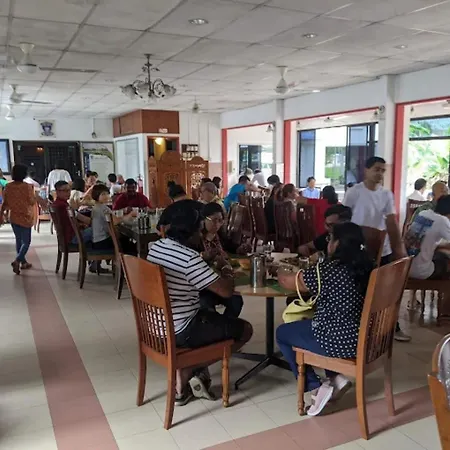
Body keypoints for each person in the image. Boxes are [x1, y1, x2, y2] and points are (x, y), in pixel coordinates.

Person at [148, 201, 253, 404]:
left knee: (211, 313)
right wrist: (226, 268)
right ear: (192, 231)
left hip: (156, 326)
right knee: (245, 330)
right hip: (181, 329)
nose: (201, 234)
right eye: (199, 229)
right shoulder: (189, 257)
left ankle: (189, 375)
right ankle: (187, 368)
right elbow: (226, 291)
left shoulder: (157, 247)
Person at [276, 222, 374, 416]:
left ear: (337, 244)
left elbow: (290, 283)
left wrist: (279, 271)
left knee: (282, 333)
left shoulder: (328, 270)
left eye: (330, 239)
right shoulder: (370, 267)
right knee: (308, 323)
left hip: (338, 341)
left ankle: (315, 386)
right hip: (366, 338)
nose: (327, 243)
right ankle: (336, 377)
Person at [343, 156, 409, 342]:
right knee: (357, 288)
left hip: (383, 249)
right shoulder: (354, 192)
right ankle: (359, 327)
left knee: (385, 290)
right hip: (357, 250)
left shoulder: (386, 194)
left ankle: (391, 327)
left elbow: (391, 221)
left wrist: (398, 248)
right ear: (366, 170)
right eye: (376, 169)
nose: (380, 173)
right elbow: (344, 219)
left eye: (383, 170)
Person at [200, 202, 244, 318]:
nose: (217, 224)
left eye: (220, 220)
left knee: (236, 301)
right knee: (206, 304)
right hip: (204, 284)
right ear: (203, 219)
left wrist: (240, 249)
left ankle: (225, 325)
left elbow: (230, 247)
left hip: (220, 279)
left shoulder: (219, 236)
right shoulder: (197, 239)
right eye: (214, 220)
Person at [0, 164, 45, 274]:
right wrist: (36, 197)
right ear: (24, 174)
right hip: (25, 216)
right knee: (26, 241)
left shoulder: (8, 187)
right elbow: (31, 201)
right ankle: (17, 260)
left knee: (18, 240)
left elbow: (5, 202)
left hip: (13, 217)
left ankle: (23, 263)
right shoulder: (27, 187)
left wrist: (1, 214)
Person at [405, 195, 450, 279]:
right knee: (446, 260)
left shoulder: (423, 213)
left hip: (405, 267)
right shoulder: (443, 221)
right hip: (420, 271)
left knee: (438, 253)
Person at [91, 184, 136, 252]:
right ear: (96, 195)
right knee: (130, 245)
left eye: (107, 194)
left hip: (96, 241)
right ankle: (125, 257)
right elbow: (114, 221)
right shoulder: (103, 208)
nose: (106, 196)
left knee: (125, 239)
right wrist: (129, 215)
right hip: (102, 242)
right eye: (103, 194)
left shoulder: (96, 207)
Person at [53, 180, 93, 247]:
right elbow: (84, 219)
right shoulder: (63, 206)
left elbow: (68, 222)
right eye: (65, 190)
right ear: (57, 192)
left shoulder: (57, 204)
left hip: (68, 236)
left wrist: (81, 225)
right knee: (100, 230)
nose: (68, 193)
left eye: (69, 190)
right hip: (74, 237)